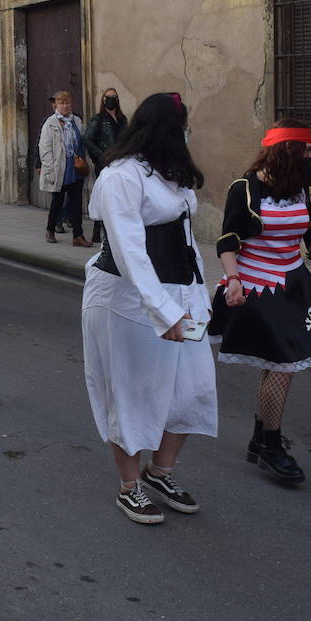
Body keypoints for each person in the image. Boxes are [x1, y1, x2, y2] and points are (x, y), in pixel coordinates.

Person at [81, 92, 214, 525]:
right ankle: (129, 486)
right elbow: (129, 252)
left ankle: (160, 472)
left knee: (192, 389)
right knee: (133, 393)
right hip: (126, 303)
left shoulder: (171, 174)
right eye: (181, 126)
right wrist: (165, 312)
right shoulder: (121, 176)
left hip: (179, 296)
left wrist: (199, 302)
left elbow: (188, 243)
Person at [208, 119, 311, 485]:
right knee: (283, 364)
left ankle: (262, 438)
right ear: (286, 151)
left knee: (278, 363)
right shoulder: (245, 189)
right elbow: (228, 241)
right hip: (255, 287)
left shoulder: (305, 192)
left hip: (293, 285)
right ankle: (271, 445)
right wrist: (234, 281)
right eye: (305, 149)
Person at [38, 91, 91, 247]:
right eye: (62, 103)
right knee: (57, 202)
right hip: (59, 168)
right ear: (57, 105)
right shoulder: (50, 123)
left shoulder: (77, 121)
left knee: (76, 203)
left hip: (75, 167)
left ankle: (78, 236)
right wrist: (49, 168)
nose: (66, 106)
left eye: (68, 103)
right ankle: (50, 230)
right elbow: (44, 148)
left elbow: (82, 142)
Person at [84, 88, 128, 244]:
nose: (112, 100)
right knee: (103, 196)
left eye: (114, 97)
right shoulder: (99, 119)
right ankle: (97, 229)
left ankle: (114, 229)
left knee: (118, 196)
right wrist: (101, 156)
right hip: (105, 163)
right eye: (108, 97)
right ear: (103, 100)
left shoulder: (122, 119)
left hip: (121, 162)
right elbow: (87, 140)